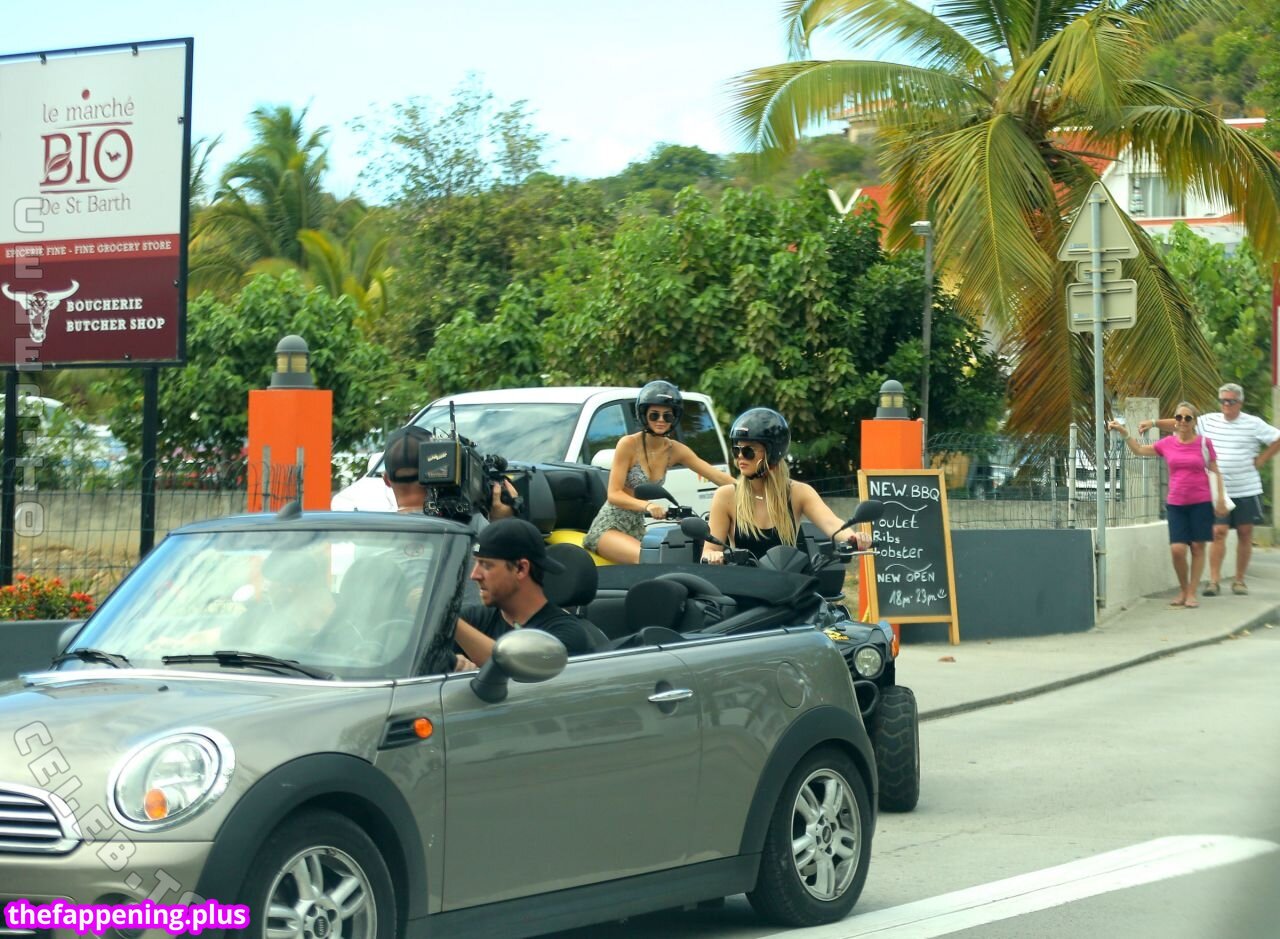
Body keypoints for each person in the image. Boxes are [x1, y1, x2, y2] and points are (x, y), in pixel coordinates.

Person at [1139, 383, 1280, 596]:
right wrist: (1153, 422)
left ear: (1240, 403)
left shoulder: (1253, 423)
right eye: (1223, 401)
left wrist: (1262, 459)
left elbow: (1277, 438)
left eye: (1231, 401)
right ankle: (1214, 581)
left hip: (1246, 487)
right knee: (1218, 532)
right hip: (1217, 490)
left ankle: (1239, 580)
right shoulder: (1209, 420)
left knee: (1245, 533)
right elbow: (1182, 422)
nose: (1226, 405)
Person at [583, 381, 734, 564]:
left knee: (670, 559)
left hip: (637, 527)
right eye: (654, 415)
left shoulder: (675, 450)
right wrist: (648, 506)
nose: (661, 420)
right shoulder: (628, 444)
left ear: (674, 418)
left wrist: (751, 489)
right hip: (610, 526)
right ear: (644, 415)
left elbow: (716, 475)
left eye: (667, 416)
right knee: (651, 559)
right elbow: (614, 494)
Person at [702, 407, 871, 563]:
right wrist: (712, 555)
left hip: (789, 582)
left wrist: (853, 538)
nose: (740, 456)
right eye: (736, 450)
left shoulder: (798, 492)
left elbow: (831, 523)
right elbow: (709, 549)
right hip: (744, 582)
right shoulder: (726, 496)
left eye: (748, 451)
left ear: (771, 453)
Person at [1111, 402, 1228, 608]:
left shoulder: (1204, 443)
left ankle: (1191, 592)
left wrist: (1220, 500)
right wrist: (1124, 432)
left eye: (1187, 418)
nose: (1183, 421)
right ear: (1175, 421)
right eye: (1179, 417)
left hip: (1201, 502)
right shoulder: (1167, 443)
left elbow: (1215, 471)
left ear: (1194, 422)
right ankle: (1183, 589)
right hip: (1176, 503)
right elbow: (1139, 450)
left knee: (1198, 547)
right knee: (1177, 550)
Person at [454, 518, 595, 669]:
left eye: (486, 565)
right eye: (476, 563)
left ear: (521, 569)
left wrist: (451, 622)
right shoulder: (473, 619)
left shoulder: (566, 635)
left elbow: (522, 669)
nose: (474, 575)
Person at [382, 424, 516, 524]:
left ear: (386, 480)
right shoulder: (469, 525)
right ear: (441, 472)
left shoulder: (376, 530)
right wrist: (502, 522)